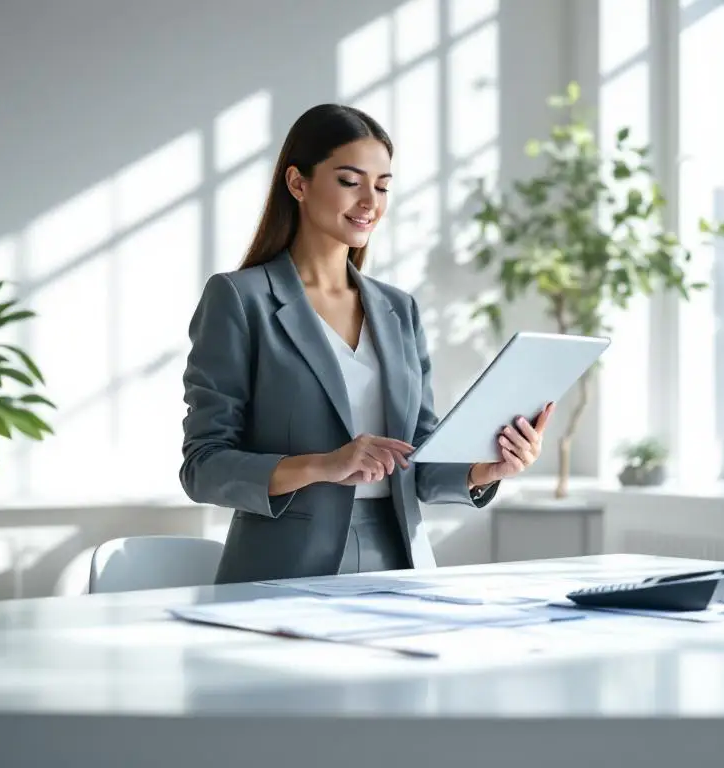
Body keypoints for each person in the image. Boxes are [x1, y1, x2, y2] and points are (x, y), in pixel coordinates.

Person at [179, 103, 554, 584]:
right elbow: (203, 466)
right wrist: (324, 465)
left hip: (400, 563)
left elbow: (420, 458)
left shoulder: (400, 310)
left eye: (382, 186)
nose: (370, 202)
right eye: (349, 181)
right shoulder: (239, 299)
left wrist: (486, 468)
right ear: (298, 183)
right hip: (284, 570)